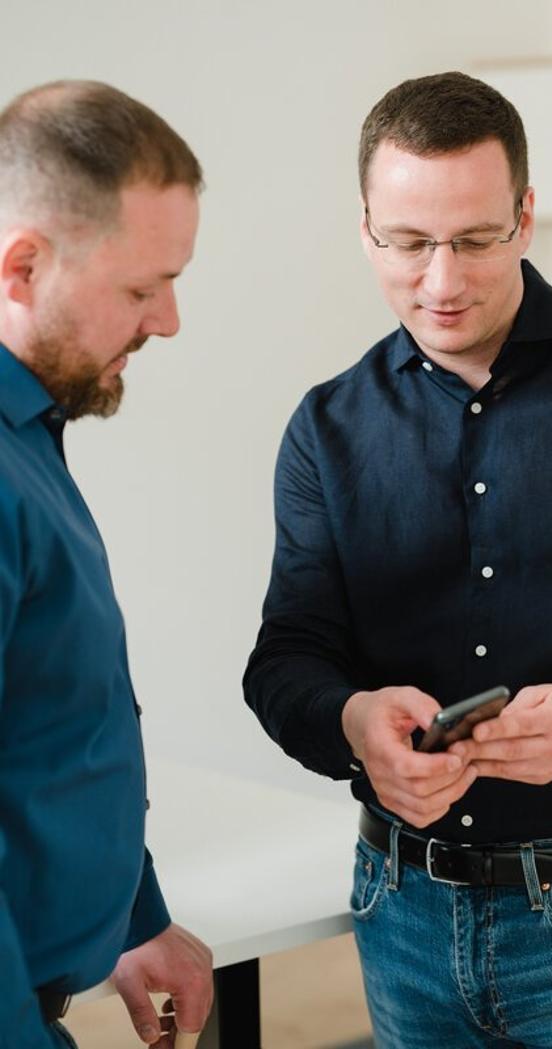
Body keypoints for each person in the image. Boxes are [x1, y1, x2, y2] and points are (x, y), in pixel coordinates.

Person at [244, 70, 552, 1048]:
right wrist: (353, 721)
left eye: (474, 239)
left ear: (525, 217)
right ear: (365, 228)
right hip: (399, 912)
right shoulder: (326, 428)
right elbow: (285, 662)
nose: (441, 280)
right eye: (408, 243)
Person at [0, 81, 212, 1049]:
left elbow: (48, 726)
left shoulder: (30, 433)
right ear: (22, 265)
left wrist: (133, 916)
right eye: (140, 288)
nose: (167, 322)